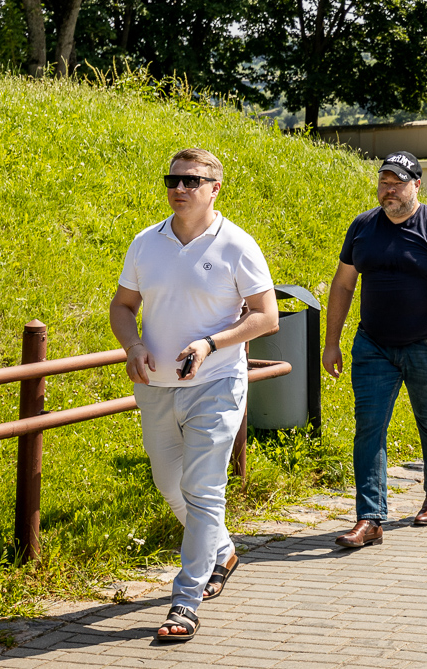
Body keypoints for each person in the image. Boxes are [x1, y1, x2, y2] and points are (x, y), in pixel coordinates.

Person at [109, 148, 279, 642]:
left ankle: (185, 600)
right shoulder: (146, 243)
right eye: (173, 180)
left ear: (214, 188)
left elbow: (265, 317)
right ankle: (223, 550)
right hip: (155, 387)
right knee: (170, 485)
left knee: (203, 490)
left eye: (191, 181)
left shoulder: (237, 245)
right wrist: (133, 344)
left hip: (217, 383)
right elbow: (122, 306)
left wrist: (211, 343)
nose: (180, 188)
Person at [324, 152, 427, 551]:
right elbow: (342, 285)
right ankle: (369, 518)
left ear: (416, 185)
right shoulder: (363, 227)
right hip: (372, 345)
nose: (388, 189)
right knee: (369, 429)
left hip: (426, 346)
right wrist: (332, 342)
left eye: (397, 182)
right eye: (383, 181)